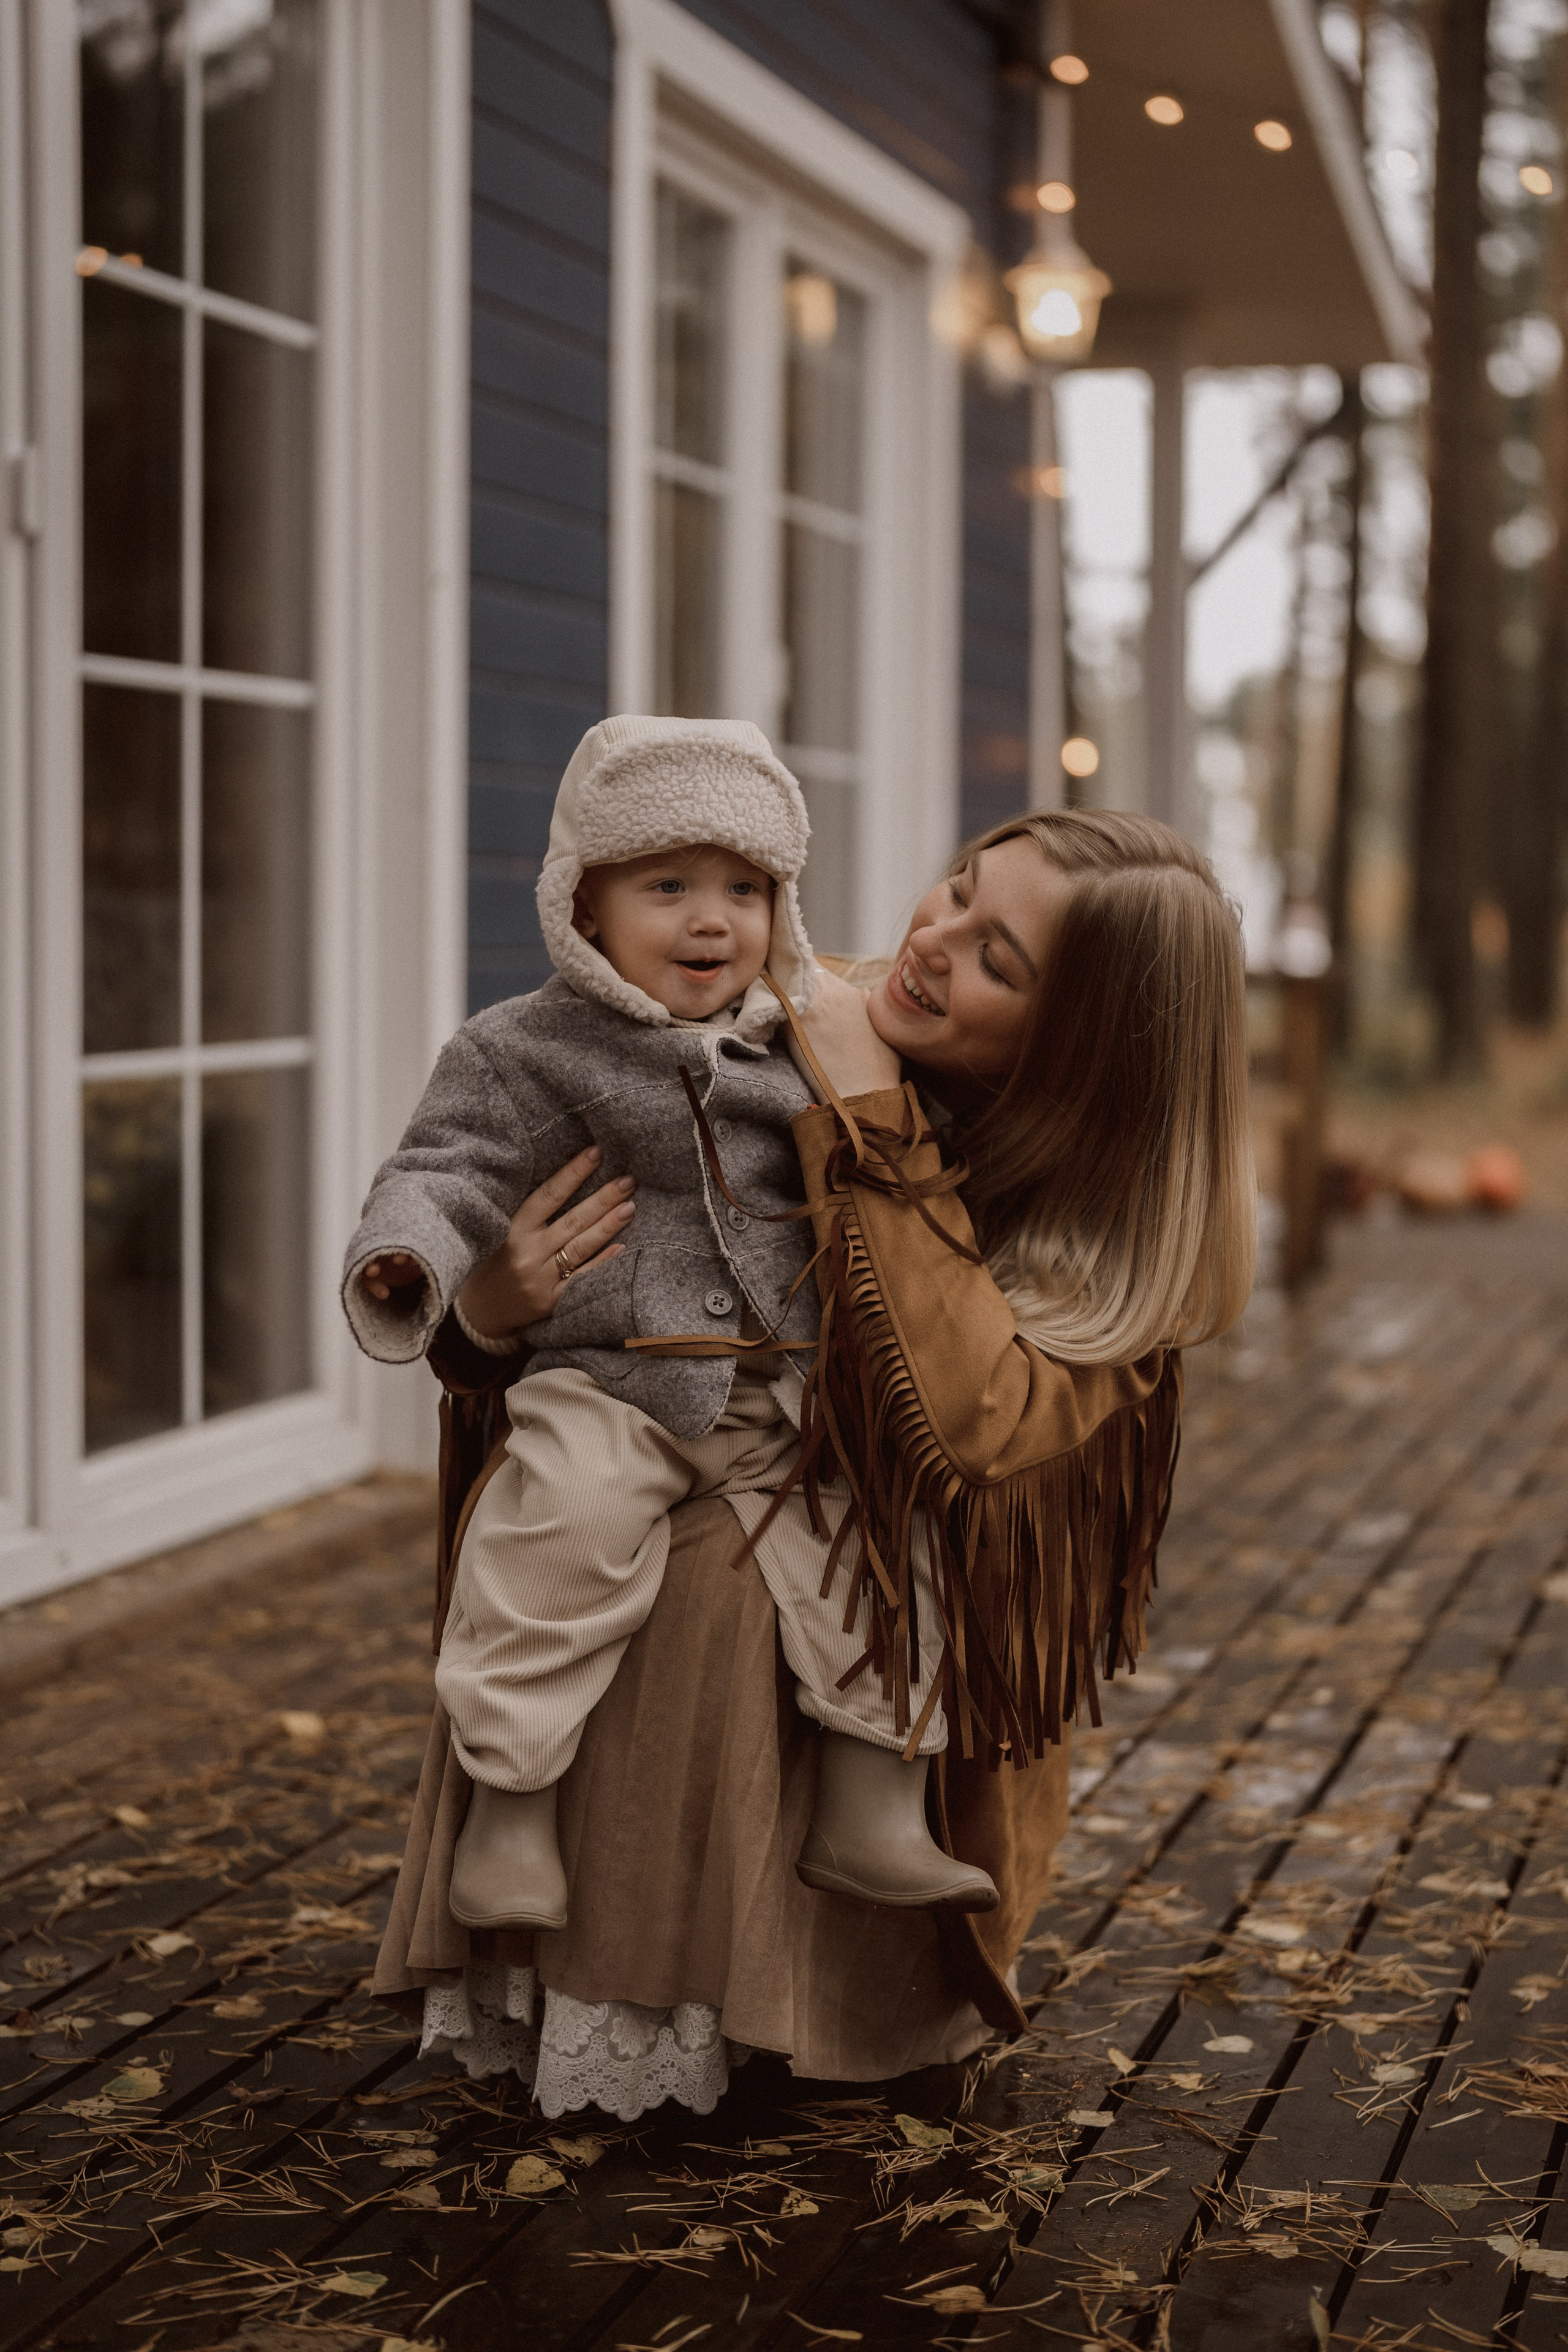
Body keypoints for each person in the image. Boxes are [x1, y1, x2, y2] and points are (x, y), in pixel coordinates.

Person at [372, 807, 1256, 2121]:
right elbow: (534, 1260)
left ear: (1081, 1053)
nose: (930, 941)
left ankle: (804, 1977)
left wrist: (876, 1124)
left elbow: (969, 1423)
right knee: (593, 1530)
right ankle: (569, 1953)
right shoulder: (766, 1012)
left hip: (877, 1638)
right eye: (955, 890)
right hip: (633, 1470)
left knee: (775, 1573)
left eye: (998, 960)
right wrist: (487, 1310)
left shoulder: (1105, 1242)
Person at [342, 714, 992, 1945]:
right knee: (552, 1540)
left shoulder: (801, 1036)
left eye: (745, 889)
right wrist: (408, 1258)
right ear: (582, 905)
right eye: (668, 886)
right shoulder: (520, 1051)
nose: (713, 920)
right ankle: (513, 1809)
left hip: (783, 1391)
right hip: (611, 1383)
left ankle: (874, 1801)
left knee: (877, 1546)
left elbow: (893, 1168)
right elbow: (444, 1171)